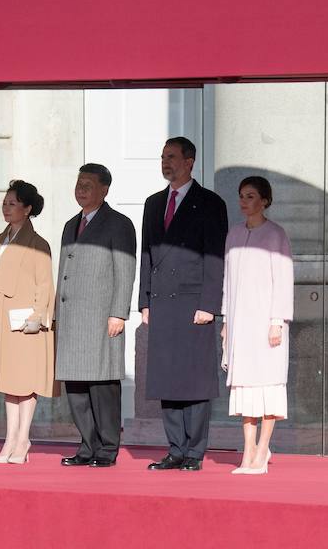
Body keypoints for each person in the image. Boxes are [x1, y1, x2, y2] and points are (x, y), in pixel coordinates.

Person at [139, 137, 228, 472]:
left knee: (194, 380)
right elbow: (147, 255)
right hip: (162, 301)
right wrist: (144, 300)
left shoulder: (210, 203)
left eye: (172, 157)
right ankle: (175, 448)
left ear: (190, 161)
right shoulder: (153, 203)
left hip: (193, 303)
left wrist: (210, 304)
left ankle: (194, 452)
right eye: (163, 157)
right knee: (167, 378)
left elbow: (214, 257)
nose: (166, 163)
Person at [54, 163, 137, 468]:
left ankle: (107, 447)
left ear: (104, 189)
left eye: (87, 185)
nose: (81, 190)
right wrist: (56, 315)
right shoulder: (70, 225)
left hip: (101, 316)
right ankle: (87, 445)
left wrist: (119, 312)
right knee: (75, 388)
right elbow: (63, 271)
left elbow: (124, 270)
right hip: (72, 318)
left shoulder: (119, 223)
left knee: (102, 386)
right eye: (78, 184)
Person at [0, 179, 59, 465]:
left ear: (27, 208)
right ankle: (10, 438)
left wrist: (37, 316)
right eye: (4, 203)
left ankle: (23, 438)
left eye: (12, 204)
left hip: (25, 320)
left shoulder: (38, 244)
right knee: (9, 381)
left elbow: (44, 284)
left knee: (26, 381)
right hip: (1, 318)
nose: (6, 208)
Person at [220, 176, 293, 475]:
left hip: (267, 323)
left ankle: (263, 449)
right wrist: (225, 320)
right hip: (240, 324)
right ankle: (247, 450)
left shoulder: (276, 235)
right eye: (241, 196)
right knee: (246, 387)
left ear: (264, 200)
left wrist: (277, 321)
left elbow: (284, 280)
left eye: (250, 196)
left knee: (268, 386)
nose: (244, 201)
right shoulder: (233, 234)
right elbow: (227, 280)